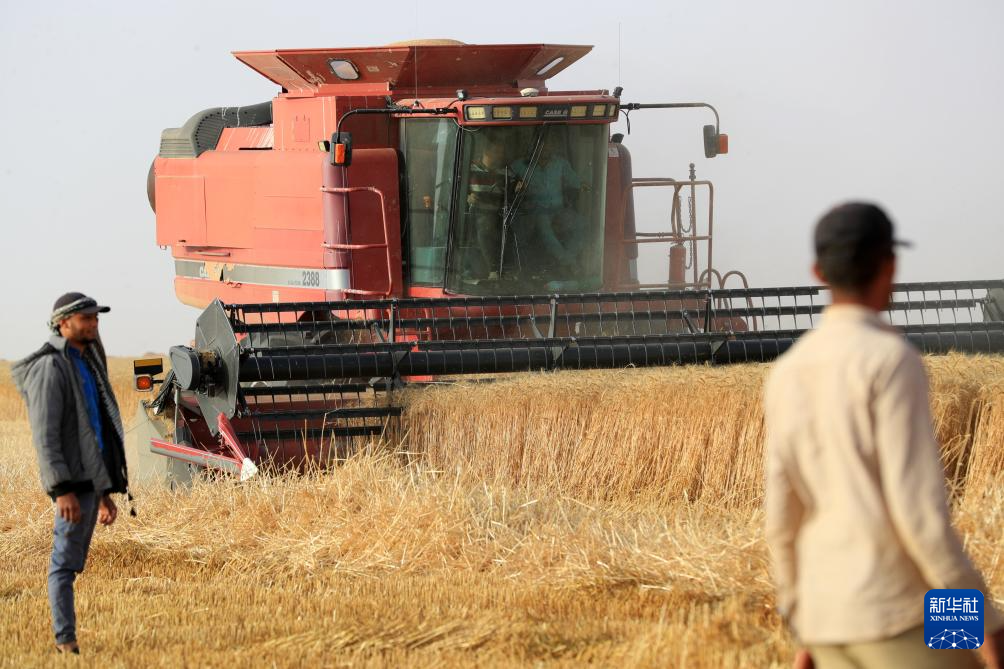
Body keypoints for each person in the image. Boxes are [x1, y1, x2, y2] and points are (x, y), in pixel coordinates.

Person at [764, 203, 1003, 669]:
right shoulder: (890, 360)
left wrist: (804, 622)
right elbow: (921, 519)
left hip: (828, 623)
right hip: (900, 615)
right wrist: (985, 626)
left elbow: (781, 518)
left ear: (818, 273)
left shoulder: (787, 371)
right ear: (890, 265)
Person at [12, 292, 130, 655]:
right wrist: (61, 489)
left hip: (89, 483)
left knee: (72, 563)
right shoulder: (51, 367)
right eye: (86, 318)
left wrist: (104, 492)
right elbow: (45, 437)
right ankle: (66, 642)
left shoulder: (85, 365)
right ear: (63, 323)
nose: (93, 324)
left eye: (95, 318)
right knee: (63, 565)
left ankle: (66, 638)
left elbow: (92, 433)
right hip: (71, 485)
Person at [512, 131, 591, 266]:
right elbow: (507, 180)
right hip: (535, 211)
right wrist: (515, 185)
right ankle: (567, 262)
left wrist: (585, 186)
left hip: (559, 210)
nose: (546, 148)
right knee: (545, 228)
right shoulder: (521, 165)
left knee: (583, 224)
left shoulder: (560, 163)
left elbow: (574, 180)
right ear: (534, 146)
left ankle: (568, 256)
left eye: (549, 145)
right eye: (542, 145)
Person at [465, 137, 509, 276]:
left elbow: (515, 188)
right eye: (497, 152)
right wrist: (467, 197)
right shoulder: (469, 168)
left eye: (501, 153)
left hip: (500, 214)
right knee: (483, 227)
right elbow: (457, 189)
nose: (500, 156)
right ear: (486, 152)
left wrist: (519, 186)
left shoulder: (505, 171)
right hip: (476, 211)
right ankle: (493, 269)